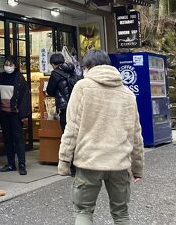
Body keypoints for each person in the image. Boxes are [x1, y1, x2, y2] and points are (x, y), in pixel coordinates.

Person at [58, 49, 143, 225]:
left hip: (89, 160)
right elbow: (136, 135)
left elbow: (72, 128)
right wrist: (137, 168)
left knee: (83, 212)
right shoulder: (127, 94)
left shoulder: (82, 87)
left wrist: (64, 161)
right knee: (121, 214)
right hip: (119, 163)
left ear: (88, 66)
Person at [0, 56, 31, 175]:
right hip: (4, 112)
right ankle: (10, 163)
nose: (8, 66)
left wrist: (23, 113)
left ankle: (22, 164)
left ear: (15, 66)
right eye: (6, 64)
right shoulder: (0, 77)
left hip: (15, 113)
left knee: (18, 139)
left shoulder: (19, 78)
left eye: (10, 64)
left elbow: (25, 97)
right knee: (7, 139)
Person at [46, 52, 75, 131]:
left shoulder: (55, 74)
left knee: (66, 131)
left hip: (64, 106)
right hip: (75, 104)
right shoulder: (72, 69)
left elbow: (50, 91)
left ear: (52, 64)